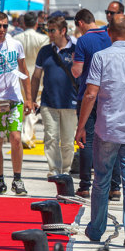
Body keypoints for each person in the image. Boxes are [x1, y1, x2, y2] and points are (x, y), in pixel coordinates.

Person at [76, 14, 125, 248]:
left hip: (107, 130)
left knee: (101, 181)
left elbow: (90, 94)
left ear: (109, 33)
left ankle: (96, 230)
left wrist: (81, 127)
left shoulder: (101, 57)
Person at [71, 8, 116, 199]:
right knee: (113, 140)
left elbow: (77, 71)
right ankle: (115, 187)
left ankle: (85, 186)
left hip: (88, 95)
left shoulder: (83, 41)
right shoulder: (110, 36)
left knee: (86, 140)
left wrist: (71, 63)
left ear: (81, 23)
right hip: (110, 96)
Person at [0, 12, 32, 195]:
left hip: (14, 99)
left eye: (5, 26)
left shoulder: (16, 44)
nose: (2, 29)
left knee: (15, 138)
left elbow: (23, 71)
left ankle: (18, 179)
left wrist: (28, 97)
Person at [31, 16, 78, 177]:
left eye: (52, 30)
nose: (49, 34)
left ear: (63, 31)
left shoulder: (75, 50)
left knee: (67, 141)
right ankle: (54, 169)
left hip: (70, 102)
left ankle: (66, 170)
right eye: (47, 30)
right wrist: (31, 99)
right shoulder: (45, 51)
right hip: (48, 102)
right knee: (50, 137)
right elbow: (36, 76)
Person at [14, 11, 49, 148]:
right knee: (33, 105)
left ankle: (23, 132)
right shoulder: (43, 38)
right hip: (36, 76)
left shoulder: (16, 38)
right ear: (36, 23)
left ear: (23, 23)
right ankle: (26, 134)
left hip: (19, 75)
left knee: (21, 106)